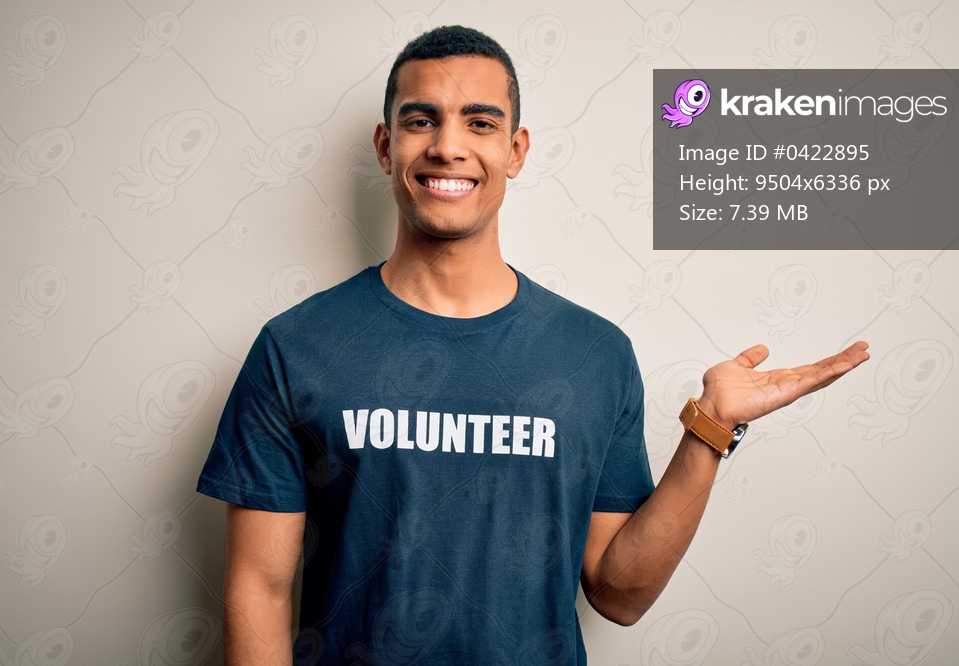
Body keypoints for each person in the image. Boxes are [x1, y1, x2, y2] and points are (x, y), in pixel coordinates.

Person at [197, 25, 869, 665]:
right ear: (386, 145)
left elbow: (619, 593)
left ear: (516, 151)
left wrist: (710, 431)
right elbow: (260, 589)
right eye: (421, 120)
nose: (448, 147)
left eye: (480, 123)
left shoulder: (595, 355)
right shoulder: (297, 348)